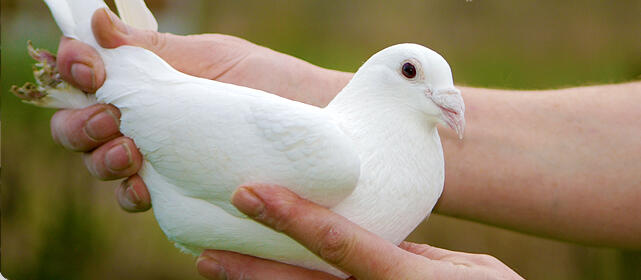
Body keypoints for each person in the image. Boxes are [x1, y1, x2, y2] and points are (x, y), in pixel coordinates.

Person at [49, 9, 640, 279]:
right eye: (414, 76)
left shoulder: (425, 171)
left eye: (442, 87)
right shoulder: (329, 156)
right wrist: (126, 80)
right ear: (385, 77)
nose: (445, 98)